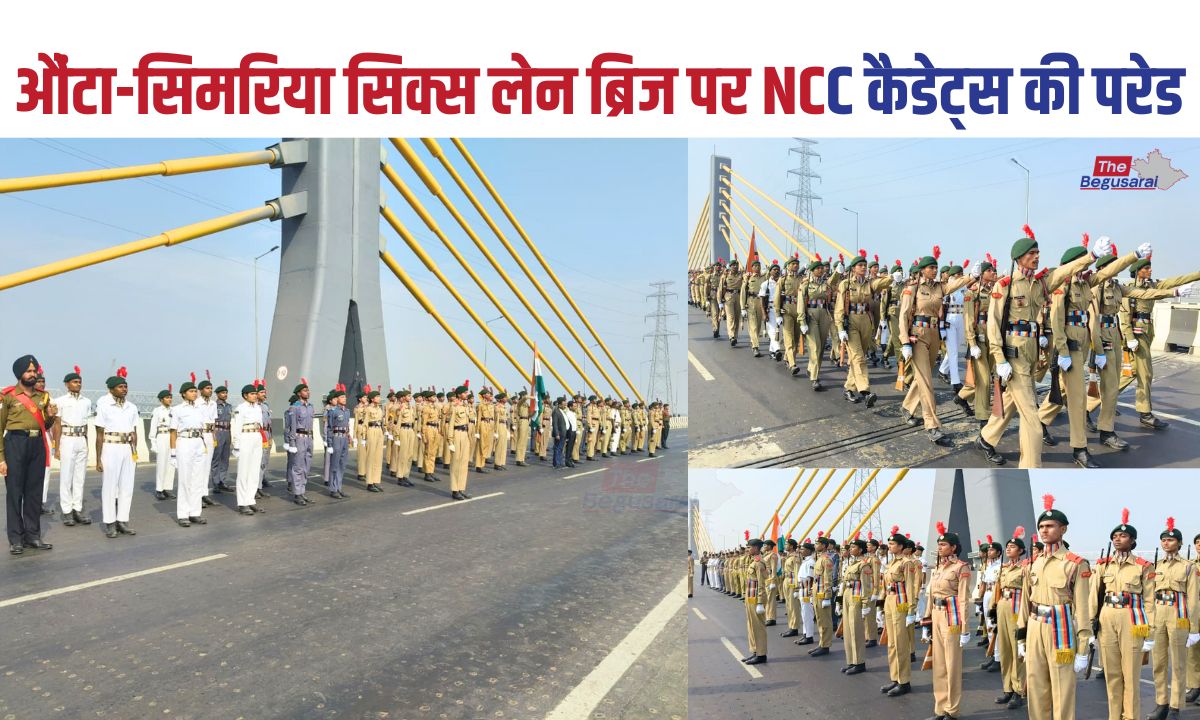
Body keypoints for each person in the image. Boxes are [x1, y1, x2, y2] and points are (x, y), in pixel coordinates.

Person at [976, 230, 1112, 467]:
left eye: (1038, 253)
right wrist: (999, 359)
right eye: (1032, 253)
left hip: (1031, 355)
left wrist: (1092, 256)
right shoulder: (1005, 285)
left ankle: (986, 439)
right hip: (1013, 356)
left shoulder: (1039, 283)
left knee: (1009, 403)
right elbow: (994, 324)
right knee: (1032, 422)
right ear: (1019, 258)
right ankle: (1031, 468)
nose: (1037, 257)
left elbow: (1063, 272)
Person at [1020, 495, 1092, 720]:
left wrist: (1083, 648)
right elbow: (1025, 602)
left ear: (1063, 529)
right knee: (1035, 685)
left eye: (1050, 526)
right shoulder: (1033, 563)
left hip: (1059, 629)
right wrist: (1021, 637)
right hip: (1034, 627)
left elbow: (1082, 607)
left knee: (1062, 688)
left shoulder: (1075, 564)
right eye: (1041, 526)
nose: (1044, 530)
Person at [899, 249, 977, 445]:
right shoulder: (913, 288)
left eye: (935, 267)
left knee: (922, 377)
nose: (934, 270)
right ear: (922, 270)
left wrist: (971, 276)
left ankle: (907, 408)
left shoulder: (940, 287)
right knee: (926, 381)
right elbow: (903, 315)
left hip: (934, 335)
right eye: (930, 268)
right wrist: (904, 341)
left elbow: (955, 284)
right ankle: (932, 425)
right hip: (917, 336)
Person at [1121, 256, 1200, 430]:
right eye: (1146, 268)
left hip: (1148, 332)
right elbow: (1124, 317)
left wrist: (1197, 275)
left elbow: (1176, 281)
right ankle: (1145, 413)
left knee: (1130, 373)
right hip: (1137, 335)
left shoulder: (1153, 286)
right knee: (1146, 373)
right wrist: (1130, 338)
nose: (1150, 270)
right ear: (1138, 271)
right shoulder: (1129, 289)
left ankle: (1096, 402)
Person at [1090, 509, 1154, 720]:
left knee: (1130, 674)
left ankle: (1131, 717)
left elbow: (1150, 600)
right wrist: (1092, 623)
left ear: (1133, 540)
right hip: (1107, 617)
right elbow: (1095, 595)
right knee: (1112, 674)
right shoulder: (1102, 565)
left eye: (1123, 536)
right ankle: (1114, 716)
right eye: (1115, 536)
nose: (1118, 539)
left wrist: (1150, 632)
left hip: (1131, 618)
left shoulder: (1143, 567)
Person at [2, 355, 57, 555]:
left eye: (35, 371)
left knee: (34, 493)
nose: (33, 374)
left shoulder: (43, 397)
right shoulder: (7, 396)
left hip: (37, 445)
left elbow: (46, 426)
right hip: (15, 443)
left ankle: (33, 535)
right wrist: (1, 458)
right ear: (20, 374)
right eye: (29, 371)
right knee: (15, 493)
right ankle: (16, 539)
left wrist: (50, 417)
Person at [1147, 517, 1199, 720]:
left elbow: (1193, 599)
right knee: (1158, 663)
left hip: (1178, 615)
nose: (1166, 543)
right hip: (1159, 614)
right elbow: (1149, 596)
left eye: (1170, 540)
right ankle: (1161, 704)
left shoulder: (1188, 567)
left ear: (1178, 542)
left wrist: (1194, 629)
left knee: (1178, 663)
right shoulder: (1156, 566)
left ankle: (1175, 707)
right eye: (1163, 540)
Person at [922, 522, 971, 720]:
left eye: (943, 545)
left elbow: (963, 599)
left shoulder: (961, 567)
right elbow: (930, 596)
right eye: (938, 544)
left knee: (952, 665)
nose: (939, 547)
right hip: (937, 613)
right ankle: (940, 708)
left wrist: (965, 629)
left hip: (953, 617)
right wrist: (926, 623)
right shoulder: (937, 568)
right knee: (940, 665)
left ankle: (952, 710)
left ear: (953, 547)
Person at [835, 250, 895, 407]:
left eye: (865, 265)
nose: (863, 267)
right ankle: (865, 391)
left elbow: (882, 283)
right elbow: (840, 308)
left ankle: (849, 388)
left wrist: (893, 277)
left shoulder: (869, 283)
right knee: (859, 357)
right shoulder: (846, 284)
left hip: (866, 321)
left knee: (857, 357)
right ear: (853, 268)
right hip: (851, 322)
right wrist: (840, 328)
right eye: (860, 265)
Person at [94, 367, 138, 539]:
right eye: (120, 387)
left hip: (128, 448)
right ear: (111, 389)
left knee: (127, 486)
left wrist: (135, 452)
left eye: (125, 386)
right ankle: (110, 522)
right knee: (110, 487)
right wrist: (98, 458)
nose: (124, 389)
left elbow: (135, 432)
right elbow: (99, 434)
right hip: (110, 447)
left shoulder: (131, 407)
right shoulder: (104, 404)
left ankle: (122, 520)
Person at [990, 527, 1028, 710]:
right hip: (1003, 607)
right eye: (1007, 547)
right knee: (1004, 649)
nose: (1009, 549)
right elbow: (997, 588)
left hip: (1016, 608)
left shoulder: (1025, 568)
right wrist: (992, 608)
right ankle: (1007, 688)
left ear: (1020, 550)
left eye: (1012, 547)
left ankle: (1019, 691)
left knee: (1017, 651)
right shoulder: (1003, 568)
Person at [52, 365, 93, 524]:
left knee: (80, 477)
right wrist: (56, 447)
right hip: (67, 439)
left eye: (79, 382)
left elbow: (87, 424)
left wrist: (87, 443)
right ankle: (67, 511)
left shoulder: (87, 402)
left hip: (81, 438)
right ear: (67, 384)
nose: (78, 384)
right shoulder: (60, 401)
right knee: (66, 476)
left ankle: (77, 509)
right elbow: (57, 425)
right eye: (75, 382)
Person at [880, 529, 916, 698]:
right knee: (892, 643)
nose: (890, 546)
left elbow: (910, 586)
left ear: (901, 546)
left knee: (901, 643)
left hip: (901, 603)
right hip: (889, 600)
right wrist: (881, 604)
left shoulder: (906, 563)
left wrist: (911, 610)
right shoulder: (891, 563)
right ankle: (895, 678)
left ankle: (904, 681)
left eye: (893, 544)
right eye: (889, 544)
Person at [170, 377, 209, 528]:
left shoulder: (200, 409)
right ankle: (183, 514)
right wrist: (173, 453)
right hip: (184, 442)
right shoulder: (178, 410)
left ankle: (195, 512)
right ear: (183, 394)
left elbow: (202, 428)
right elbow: (172, 432)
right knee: (185, 480)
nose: (194, 393)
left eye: (195, 391)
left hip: (198, 442)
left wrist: (204, 445)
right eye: (191, 391)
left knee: (197, 480)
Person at [841, 535, 875, 675]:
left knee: (856, 630)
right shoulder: (852, 563)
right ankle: (851, 661)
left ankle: (859, 662)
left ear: (860, 550)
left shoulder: (864, 564)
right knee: (848, 631)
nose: (851, 549)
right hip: (848, 594)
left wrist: (866, 603)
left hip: (856, 595)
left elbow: (866, 585)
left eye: (854, 547)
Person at [231, 384, 267, 514]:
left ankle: (250, 500)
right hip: (245, 437)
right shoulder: (240, 408)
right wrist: (236, 445)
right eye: (251, 394)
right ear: (245, 395)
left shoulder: (258, 407)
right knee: (243, 472)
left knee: (254, 471)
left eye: (255, 393)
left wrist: (262, 439)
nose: (254, 396)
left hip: (256, 437)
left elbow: (261, 426)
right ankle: (242, 503)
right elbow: (237, 427)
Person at [284, 380, 315, 501]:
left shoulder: (311, 407)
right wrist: (291, 443)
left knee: (306, 466)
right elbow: (291, 426)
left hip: (309, 438)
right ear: (298, 393)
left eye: (308, 390)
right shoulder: (294, 407)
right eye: (305, 390)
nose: (308, 392)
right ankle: (297, 494)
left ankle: (302, 491)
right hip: (299, 439)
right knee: (298, 467)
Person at [742, 538, 769, 665]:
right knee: (751, 626)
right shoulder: (753, 561)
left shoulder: (759, 563)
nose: (747, 549)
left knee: (758, 627)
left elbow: (761, 584)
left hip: (756, 598)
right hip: (750, 597)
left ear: (756, 548)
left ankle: (761, 654)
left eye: (749, 547)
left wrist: (759, 602)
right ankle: (754, 651)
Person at [147, 385, 175, 503]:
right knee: (162, 464)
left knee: (171, 464)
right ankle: (159, 489)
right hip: (162, 437)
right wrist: (153, 442)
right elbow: (153, 427)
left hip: (171, 437)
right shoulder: (157, 411)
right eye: (167, 398)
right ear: (161, 399)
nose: (169, 399)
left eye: (170, 397)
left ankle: (167, 488)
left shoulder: (173, 411)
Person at [323, 385, 352, 498]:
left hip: (344, 438)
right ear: (337, 399)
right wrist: (329, 443)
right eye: (342, 397)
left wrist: (349, 436)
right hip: (336, 438)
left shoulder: (347, 411)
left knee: (342, 464)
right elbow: (329, 428)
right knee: (334, 465)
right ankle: (333, 489)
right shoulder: (332, 411)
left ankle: (339, 487)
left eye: (345, 397)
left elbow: (347, 425)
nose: (344, 399)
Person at [445, 385, 472, 500]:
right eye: (465, 393)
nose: (467, 395)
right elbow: (450, 424)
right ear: (459, 394)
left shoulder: (465, 406)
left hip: (465, 434)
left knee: (463, 464)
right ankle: (455, 490)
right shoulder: (454, 407)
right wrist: (450, 441)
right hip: (456, 434)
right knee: (456, 464)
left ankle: (461, 488)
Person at [209, 384, 233, 494]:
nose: (225, 394)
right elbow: (212, 422)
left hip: (227, 432)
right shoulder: (213, 405)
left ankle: (222, 481)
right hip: (218, 432)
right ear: (218, 394)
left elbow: (231, 422)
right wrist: (213, 436)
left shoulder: (229, 406)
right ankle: (215, 482)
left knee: (225, 459)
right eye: (223, 393)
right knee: (216, 459)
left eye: (226, 392)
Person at [362, 387, 385, 493]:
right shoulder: (367, 409)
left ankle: (376, 481)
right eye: (377, 397)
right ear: (372, 399)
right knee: (371, 457)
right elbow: (365, 423)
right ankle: (370, 483)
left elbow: (382, 421)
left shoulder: (379, 409)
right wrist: (363, 437)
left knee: (378, 457)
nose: (379, 398)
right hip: (371, 430)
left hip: (379, 431)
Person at [493, 391, 510, 471]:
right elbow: (496, 419)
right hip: (499, 425)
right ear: (501, 399)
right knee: (499, 445)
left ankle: (502, 462)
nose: (506, 399)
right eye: (505, 397)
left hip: (504, 426)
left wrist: (507, 429)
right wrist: (495, 431)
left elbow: (506, 419)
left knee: (504, 445)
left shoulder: (504, 407)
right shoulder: (497, 407)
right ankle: (497, 463)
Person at [551, 397, 568, 469]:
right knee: (557, 448)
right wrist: (557, 434)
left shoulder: (562, 411)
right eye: (564, 404)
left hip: (564, 433)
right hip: (559, 433)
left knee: (561, 448)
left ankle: (560, 462)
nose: (565, 406)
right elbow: (555, 424)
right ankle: (556, 464)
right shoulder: (556, 411)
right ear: (560, 404)